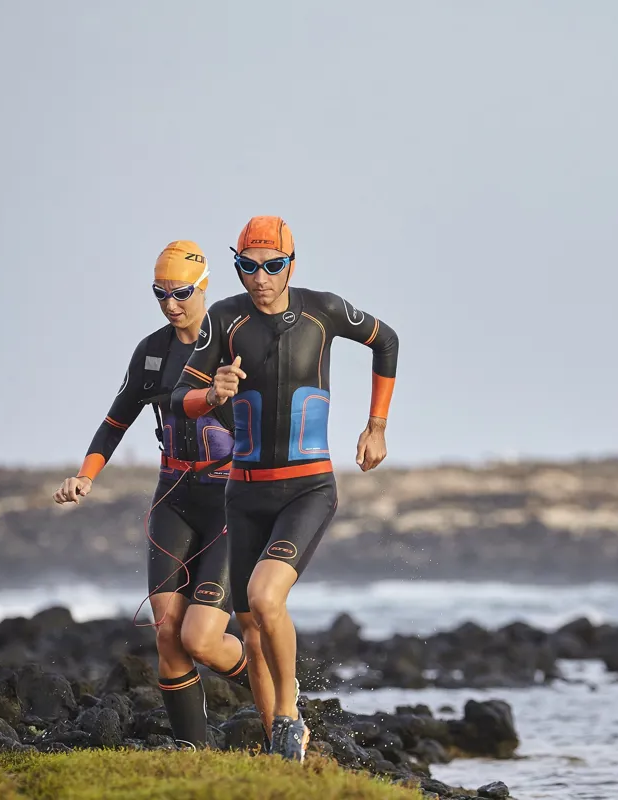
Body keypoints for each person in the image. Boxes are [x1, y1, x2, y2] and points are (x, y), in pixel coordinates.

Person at [171, 217, 399, 762]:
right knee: (250, 629)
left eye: (272, 266)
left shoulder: (322, 310)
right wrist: (211, 393)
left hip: (307, 489)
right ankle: (283, 752)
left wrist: (377, 425)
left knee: (264, 596)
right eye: (248, 266)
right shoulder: (224, 318)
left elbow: (385, 340)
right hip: (244, 494)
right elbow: (182, 393)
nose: (261, 277)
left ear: (291, 264)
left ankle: (291, 715)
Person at [53, 241, 250, 751]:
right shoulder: (152, 351)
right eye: (160, 294)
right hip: (175, 496)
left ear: (203, 287)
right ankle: (195, 754)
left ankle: (275, 685)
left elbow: (262, 428)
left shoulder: (235, 345)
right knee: (167, 635)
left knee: (202, 639)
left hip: (230, 499)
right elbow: (117, 419)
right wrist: (86, 475)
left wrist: (224, 397)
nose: (171, 304)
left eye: (181, 293)